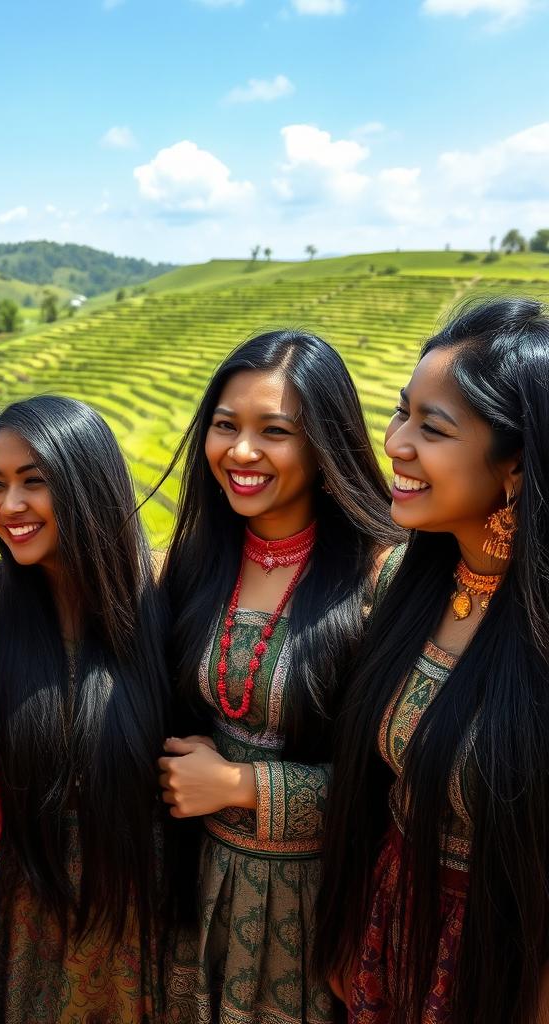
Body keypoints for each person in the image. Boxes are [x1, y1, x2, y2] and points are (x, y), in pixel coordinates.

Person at [315, 297, 549, 1024]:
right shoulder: (408, 584)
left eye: (432, 427)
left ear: (515, 464)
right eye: (400, 412)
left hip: (500, 967)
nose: (395, 442)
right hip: (390, 942)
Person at [158, 330, 401, 1024]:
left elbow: (395, 781)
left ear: (326, 446)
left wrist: (238, 785)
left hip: (323, 908)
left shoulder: (384, 578)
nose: (240, 452)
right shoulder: (199, 562)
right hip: (201, 891)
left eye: (274, 432)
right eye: (226, 426)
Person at [0, 395, 195, 1024]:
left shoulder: (167, 595)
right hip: (30, 921)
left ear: (87, 481)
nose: (10, 506)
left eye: (34, 482)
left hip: (148, 913)